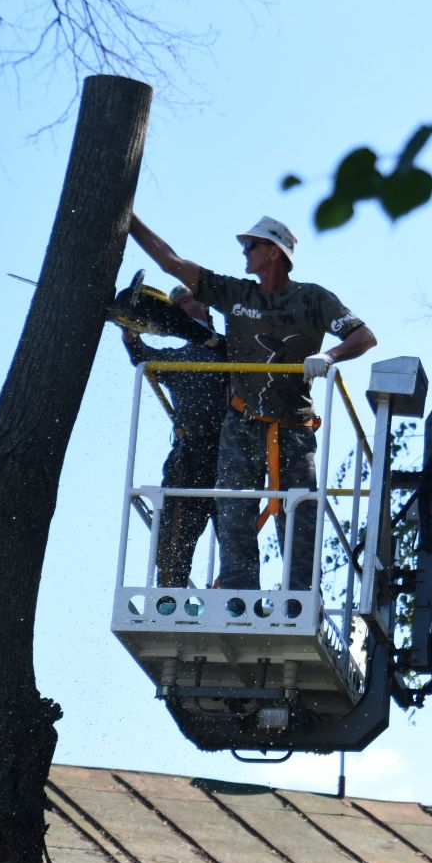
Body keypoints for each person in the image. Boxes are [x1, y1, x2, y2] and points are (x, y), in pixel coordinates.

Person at [127, 212, 377, 591]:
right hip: (241, 424)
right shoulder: (235, 294)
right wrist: (128, 218)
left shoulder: (312, 298)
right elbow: (171, 262)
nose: (244, 252)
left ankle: (298, 604)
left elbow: (364, 336)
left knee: (299, 517)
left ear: (274, 252)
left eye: (251, 245)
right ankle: (239, 601)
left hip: (294, 428)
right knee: (234, 514)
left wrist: (330, 356)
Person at [121, 287, 228, 588]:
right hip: (190, 452)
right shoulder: (177, 358)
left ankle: (235, 600)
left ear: (207, 304)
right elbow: (143, 357)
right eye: (175, 305)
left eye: (184, 301)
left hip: (231, 454)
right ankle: (168, 598)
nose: (179, 307)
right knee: (175, 532)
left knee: (235, 535)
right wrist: (130, 333)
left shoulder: (231, 349)